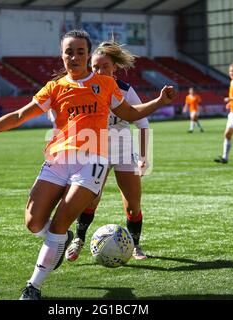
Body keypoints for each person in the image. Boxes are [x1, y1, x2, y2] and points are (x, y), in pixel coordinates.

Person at [0, 29, 176, 300]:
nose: (74, 57)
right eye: (68, 52)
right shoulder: (55, 87)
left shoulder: (106, 85)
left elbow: (131, 114)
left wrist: (159, 101)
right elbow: (18, 116)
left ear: (87, 55)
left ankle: (33, 287)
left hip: (92, 162)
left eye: (80, 52)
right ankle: (59, 241)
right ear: (62, 56)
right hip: (58, 160)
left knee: (60, 222)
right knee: (33, 223)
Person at [65, 40, 150, 263]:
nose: (99, 71)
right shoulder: (84, 88)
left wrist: (143, 158)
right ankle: (79, 239)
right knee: (91, 199)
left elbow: (143, 124)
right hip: (95, 152)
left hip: (123, 151)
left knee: (133, 205)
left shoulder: (125, 90)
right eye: (95, 67)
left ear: (114, 68)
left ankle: (135, 245)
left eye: (104, 66)